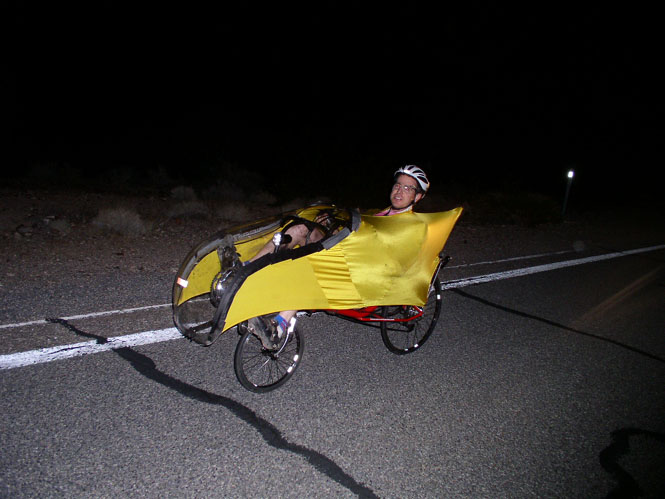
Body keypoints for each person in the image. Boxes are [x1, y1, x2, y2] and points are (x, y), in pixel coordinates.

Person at [248, 164, 430, 349]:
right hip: (347, 260)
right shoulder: (379, 215)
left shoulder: (411, 226)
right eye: (397, 185)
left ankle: (278, 328)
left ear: (417, 197)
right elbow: (356, 238)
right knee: (300, 229)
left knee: (311, 271)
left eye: (407, 188)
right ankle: (247, 269)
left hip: (363, 283)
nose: (399, 191)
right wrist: (331, 224)